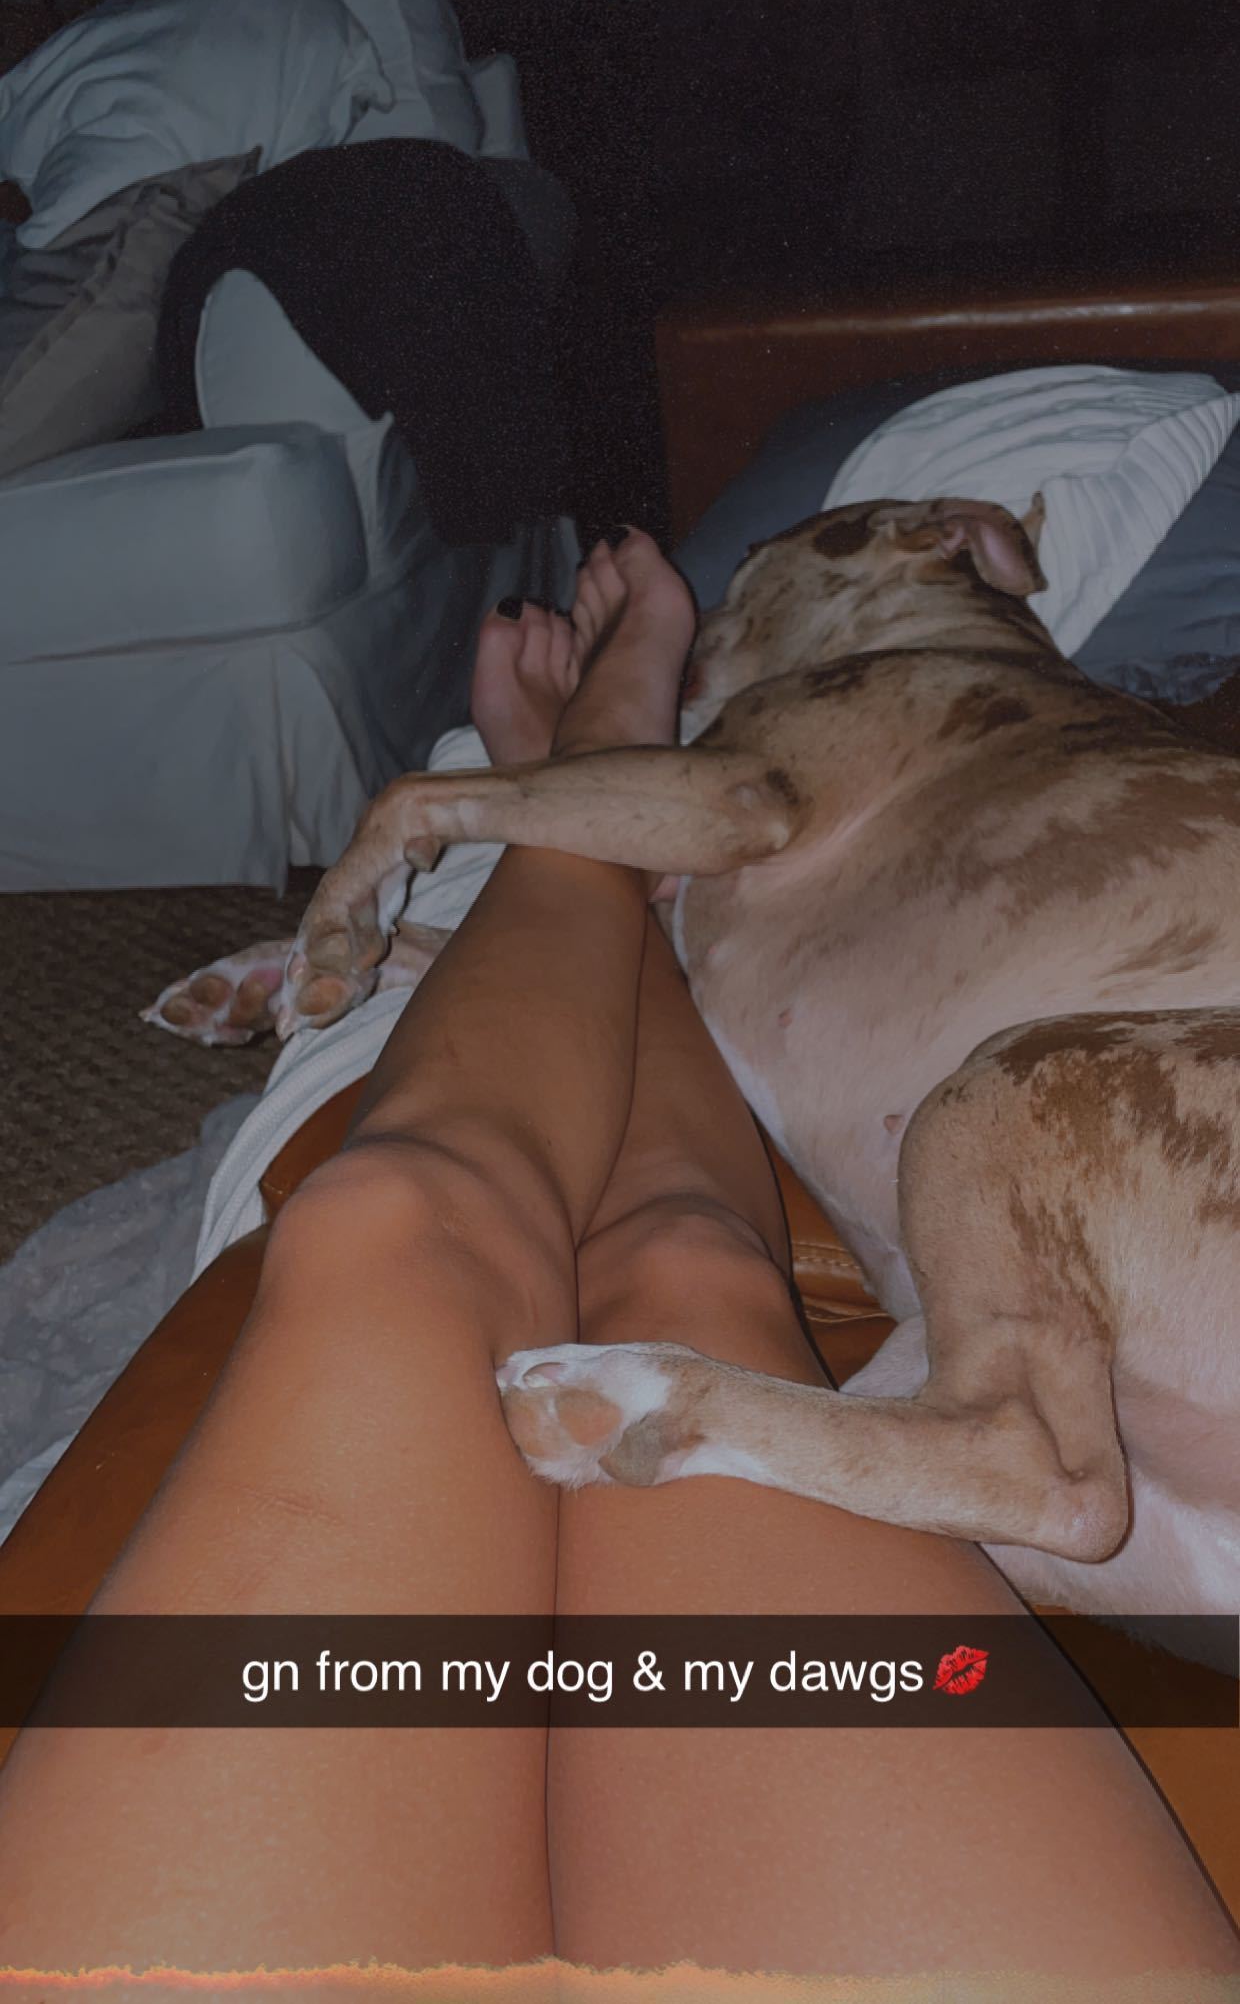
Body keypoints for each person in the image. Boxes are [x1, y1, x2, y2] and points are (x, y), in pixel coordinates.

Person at [0, 531, 1235, 1992]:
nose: (732, 624)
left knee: (400, 1220)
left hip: (1135, 1256)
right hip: (1156, 1402)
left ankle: (575, 775)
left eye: (744, 587)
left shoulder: (934, 678)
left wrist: (426, 810)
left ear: (916, 539)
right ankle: (582, 799)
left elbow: (742, 802)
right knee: (684, 1267)